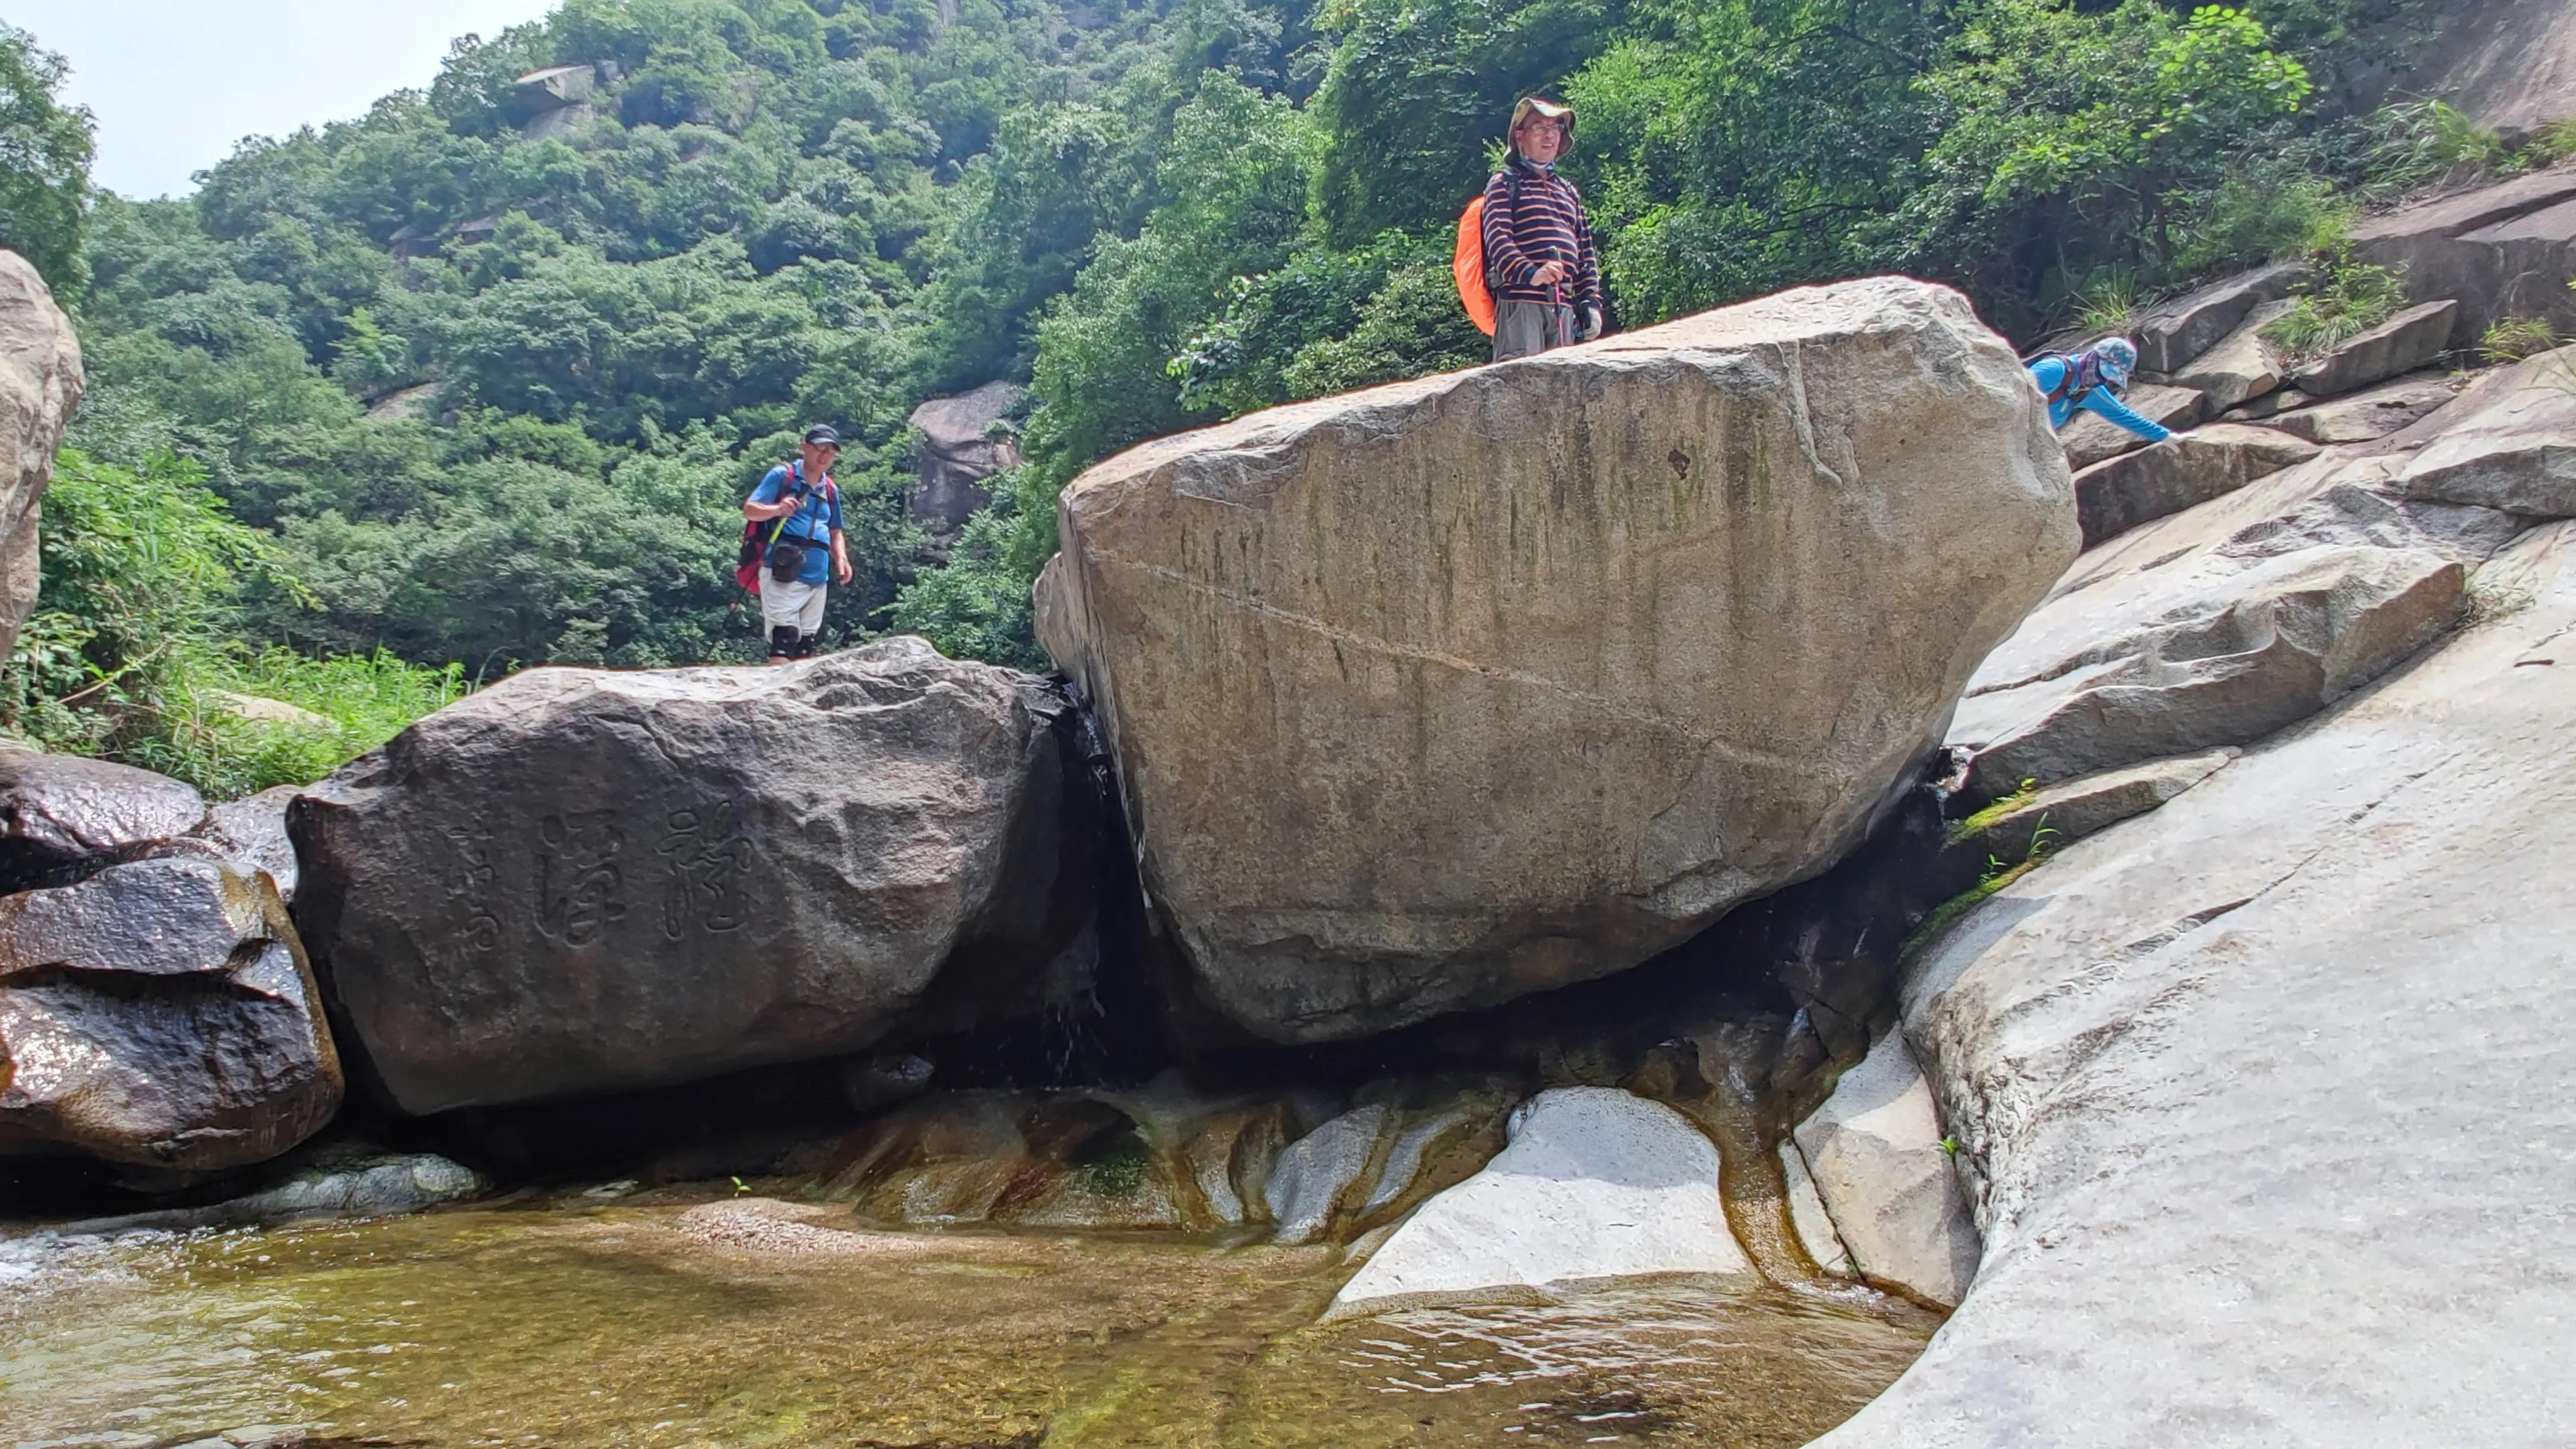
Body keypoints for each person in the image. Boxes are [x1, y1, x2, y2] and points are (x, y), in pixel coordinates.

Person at [1480, 96, 1603, 362]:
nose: (1549, 136)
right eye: (1539, 127)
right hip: (1522, 304)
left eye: (1555, 128)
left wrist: (1591, 302)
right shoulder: (1505, 183)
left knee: (1563, 391)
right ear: (1520, 136)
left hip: (1564, 306)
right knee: (1520, 384)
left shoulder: (1569, 192)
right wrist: (1532, 273)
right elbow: (1498, 240)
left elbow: (1586, 254)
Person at [742, 425, 854, 665]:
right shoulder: (783, 476)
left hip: (818, 574)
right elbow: (750, 510)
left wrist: (842, 559)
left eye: (831, 452)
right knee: (785, 636)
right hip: (783, 567)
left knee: (805, 643)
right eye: (819, 449)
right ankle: (776, 697)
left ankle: (796, 699)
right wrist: (778, 509)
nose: (824, 456)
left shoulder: (830, 489)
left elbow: (835, 531)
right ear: (804, 447)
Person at [2031, 338, 2173, 444]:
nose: (2101, 379)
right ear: (2094, 357)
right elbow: (2015, 394)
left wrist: (2166, 436)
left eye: (2108, 378)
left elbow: (2123, 415)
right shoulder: (2055, 370)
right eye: (2102, 371)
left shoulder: (2089, 391)